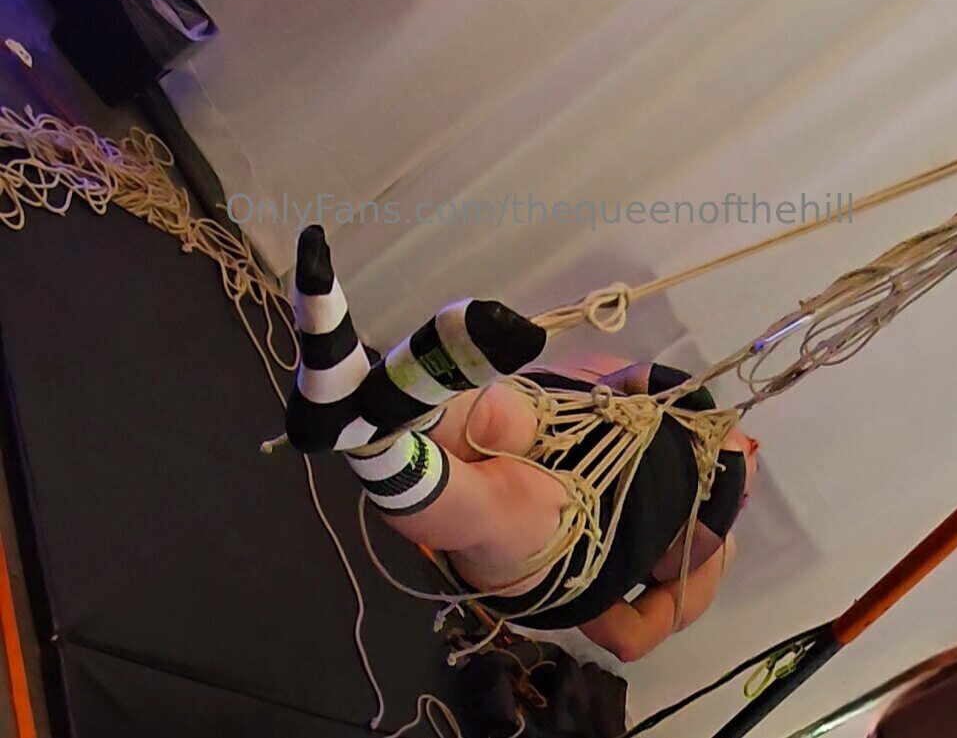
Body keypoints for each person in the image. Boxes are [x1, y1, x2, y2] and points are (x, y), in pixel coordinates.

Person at [286, 226, 757, 662]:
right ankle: (357, 406)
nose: (748, 446)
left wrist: (605, 571)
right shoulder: (656, 398)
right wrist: (627, 393)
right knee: (496, 416)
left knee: (527, 497)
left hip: (573, 546)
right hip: (558, 421)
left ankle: (365, 412)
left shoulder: (717, 554)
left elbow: (631, 638)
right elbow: (558, 380)